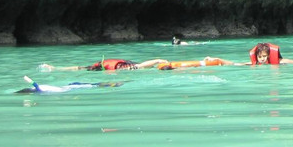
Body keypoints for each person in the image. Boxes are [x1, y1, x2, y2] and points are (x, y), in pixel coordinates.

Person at [38, 57, 167, 72]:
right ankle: (156, 62)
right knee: (139, 67)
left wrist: (56, 68)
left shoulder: (98, 66)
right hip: (119, 65)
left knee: (140, 67)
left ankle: (156, 62)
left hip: (118, 65)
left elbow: (77, 68)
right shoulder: (115, 67)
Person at [17, 75, 120, 94]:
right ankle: (110, 84)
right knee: (92, 84)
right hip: (67, 88)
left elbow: (36, 86)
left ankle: (112, 84)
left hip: (67, 88)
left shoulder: (40, 90)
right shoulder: (39, 89)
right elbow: (35, 85)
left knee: (93, 85)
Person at [156, 56, 248, 70]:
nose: (263, 59)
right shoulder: (252, 64)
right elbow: (233, 64)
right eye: (261, 57)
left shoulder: (253, 64)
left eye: (263, 56)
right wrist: (216, 59)